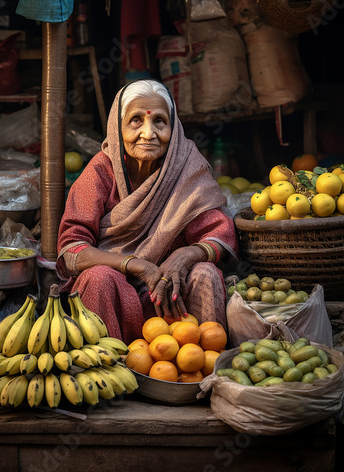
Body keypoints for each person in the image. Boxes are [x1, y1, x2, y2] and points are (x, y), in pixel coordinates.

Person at [56, 79, 238, 343]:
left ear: (173, 129)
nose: (148, 133)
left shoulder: (187, 166)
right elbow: (72, 249)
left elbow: (219, 233)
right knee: (98, 278)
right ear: (117, 128)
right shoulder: (100, 171)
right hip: (115, 294)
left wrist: (184, 255)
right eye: (136, 121)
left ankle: (203, 366)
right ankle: (109, 369)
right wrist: (135, 265)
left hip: (172, 295)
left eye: (160, 122)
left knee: (205, 272)